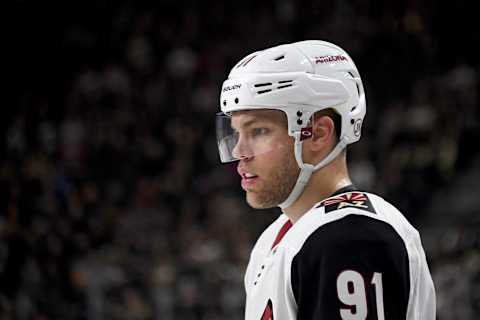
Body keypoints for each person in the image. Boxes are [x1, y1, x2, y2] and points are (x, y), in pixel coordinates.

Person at [216, 40, 436, 319]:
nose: (238, 151)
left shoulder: (350, 239)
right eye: (236, 132)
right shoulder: (278, 236)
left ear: (319, 133)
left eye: (258, 131)